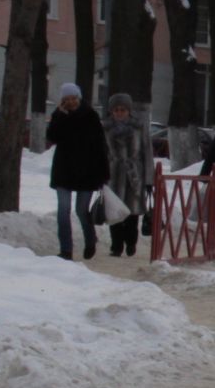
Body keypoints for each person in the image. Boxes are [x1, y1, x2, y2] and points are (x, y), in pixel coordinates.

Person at [45, 83, 108, 260]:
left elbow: (100, 146)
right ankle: (66, 249)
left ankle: (90, 239)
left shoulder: (90, 115)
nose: (71, 102)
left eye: (73, 98)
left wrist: (103, 173)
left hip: (87, 172)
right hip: (63, 171)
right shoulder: (59, 115)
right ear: (63, 101)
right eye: (67, 99)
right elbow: (52, 137)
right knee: (63, 210)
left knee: (81, 210)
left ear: (79, 98)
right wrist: (59, 116)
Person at [102, 94, 148, 258]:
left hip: (134, 174)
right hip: (112, 174)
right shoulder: (105, 128)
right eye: (116, 110)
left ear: (129, 111)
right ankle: (116, 246)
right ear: (111, 111)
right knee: (114, 212)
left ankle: (131, 243)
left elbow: (146, 152)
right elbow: (101, 153)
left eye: (123, 110)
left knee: (132, 213)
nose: (119, 113)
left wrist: (149, 179)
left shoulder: (139, 127)